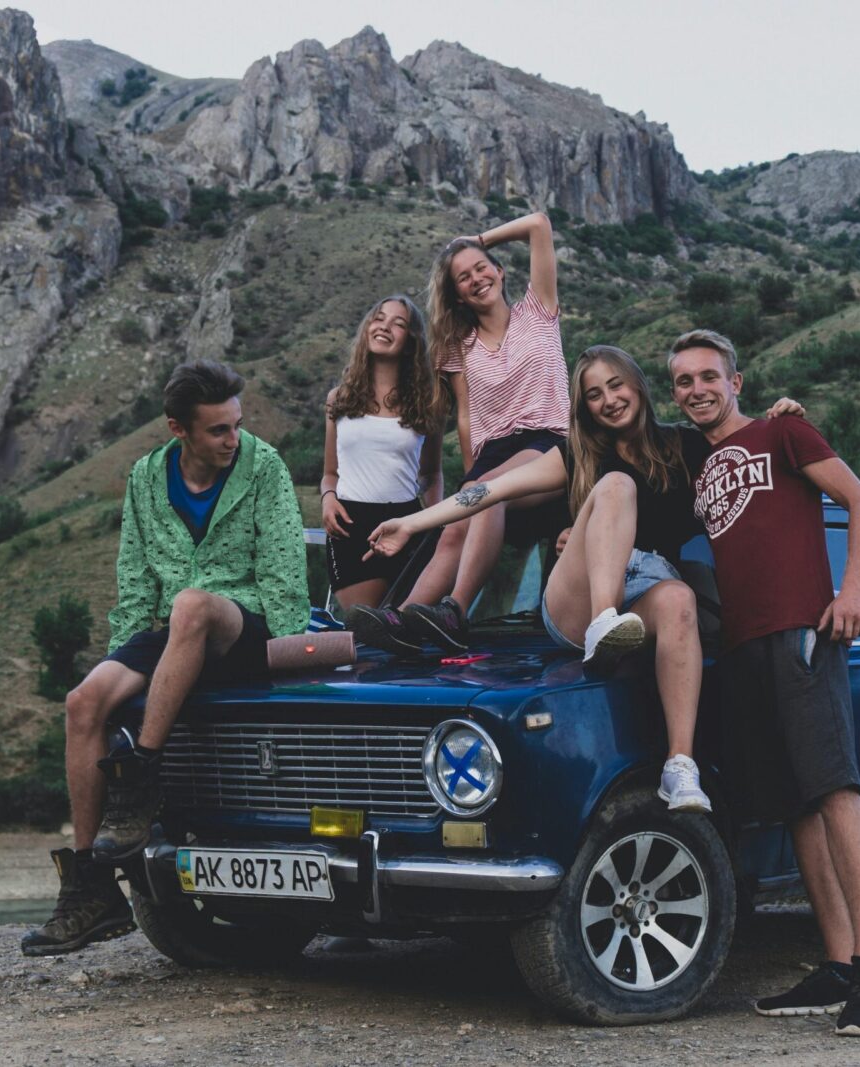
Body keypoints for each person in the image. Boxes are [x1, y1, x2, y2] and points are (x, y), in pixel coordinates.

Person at [364, 345, 804, 813]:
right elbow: (489, 490)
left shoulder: (685, 446)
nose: (609, 399)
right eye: (594, 394)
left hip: (650, 586)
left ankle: (679, 766)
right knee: (617, 485)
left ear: (637, 384)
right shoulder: (578, 453)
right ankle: (603, 623)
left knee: (678, 598)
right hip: (580, 600)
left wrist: (781, 420)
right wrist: (414, 523)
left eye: (616, 385)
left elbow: (748, 447)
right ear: (584, 406)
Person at [20, 360, 308, 957]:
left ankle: (140, 778)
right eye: (218, 431)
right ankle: (89, 887)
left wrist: (285, 656)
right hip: (172, 628)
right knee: (84, 701)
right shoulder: (146, 478)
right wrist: (124, 657)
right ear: (179, 429)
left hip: (243, 624)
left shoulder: (265, 467)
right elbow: (134, 578)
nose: (233, 440)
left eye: (236, 425)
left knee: (194, 604)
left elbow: (284, 574)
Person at [668, 329, 860, 1037]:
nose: (698, 388)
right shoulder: (690, 463)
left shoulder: (784, 431)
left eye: (710, 375)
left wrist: (853, 588)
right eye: (683, 381)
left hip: (805, 629)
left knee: (834, 788)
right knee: (797, 804)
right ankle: (835, 962)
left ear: (737, 381)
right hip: (742, 647)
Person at [348, 212, 567, 655]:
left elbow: (540, 225)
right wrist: (469, 477)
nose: (476, 278)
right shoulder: (458, 345)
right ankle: (403, 620)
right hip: (493, 453)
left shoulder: (539, 309)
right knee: (453, 529)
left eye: (482, 267)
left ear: (501, 271)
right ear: (459, 296)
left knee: (487, 493)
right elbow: (467, 417)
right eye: (463, 277)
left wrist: (476, 239)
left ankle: (456, 612)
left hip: (548, 442)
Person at [320, 294, 444, 611]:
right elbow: (330, 473)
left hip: (408, 522)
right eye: (379, 318)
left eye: (398, 323)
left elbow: (430, 473)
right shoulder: (339, 399)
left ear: (410, 341)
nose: (385, 326)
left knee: (407, 630)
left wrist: (436, 525)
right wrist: (327, 498)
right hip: (349, 525)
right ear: (367, 329)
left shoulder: (427, 404)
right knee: (366, 630)